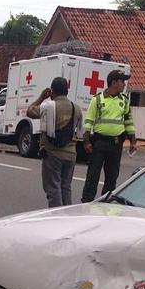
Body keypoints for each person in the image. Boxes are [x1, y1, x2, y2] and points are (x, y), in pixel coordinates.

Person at [81, 70, 136, 203]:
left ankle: (106, 203)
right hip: (99, 143)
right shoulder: (97, 99)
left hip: (116, 144)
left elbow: (129, 122)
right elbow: (88, 121)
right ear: (113, 83)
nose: (124, 84)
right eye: (122, 81)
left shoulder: (124, 100)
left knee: (112, 176)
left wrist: (133, 142)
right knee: (93, 175)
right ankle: (87, 201)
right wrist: (86, 141)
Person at [27, 78, 82, 208]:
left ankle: (56, 217)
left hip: (53, 153)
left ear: (52, 91)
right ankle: (67, 215)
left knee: (53, 188)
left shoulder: (48, 107)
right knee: (66, 187)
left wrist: (41, 97)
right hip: (71, 154)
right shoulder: (77, 108)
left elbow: (30, 111)